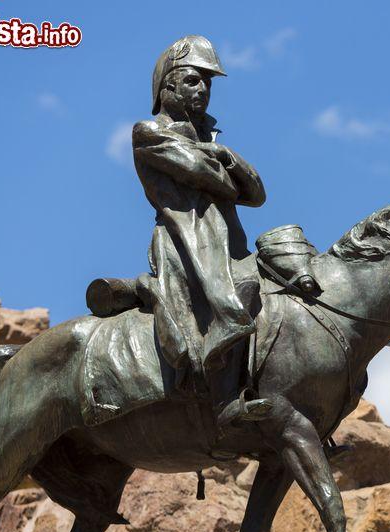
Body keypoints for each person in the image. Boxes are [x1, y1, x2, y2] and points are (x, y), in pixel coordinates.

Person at [131, 35, 270, 424]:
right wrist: (219, 166)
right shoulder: (148, 132)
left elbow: (256, 193)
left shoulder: (212, 139)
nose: (204, 90)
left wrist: (224, 153)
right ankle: (222, 401)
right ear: (168, 86)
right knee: (235, 296)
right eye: (194, 80)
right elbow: (219, 183)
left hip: (225, 240)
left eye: (208, 83)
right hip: (186, 241)